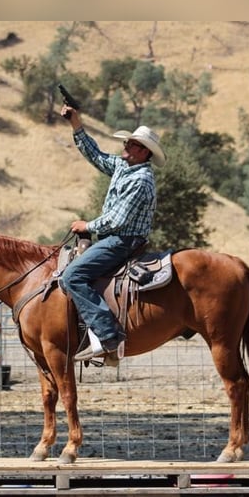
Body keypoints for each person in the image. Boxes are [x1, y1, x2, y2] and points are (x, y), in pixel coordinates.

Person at [59, 102, 166, 361]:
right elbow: (95, 155)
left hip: (124, 240)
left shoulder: (142, 179)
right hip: (115, 237)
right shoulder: (123, 166)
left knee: (73, 276)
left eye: (130, 144)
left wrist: (87, 226)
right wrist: (76, 122)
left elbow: (117, 220)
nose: (125, 146)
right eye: (126, 143)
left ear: (143, 152)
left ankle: (108, 335)